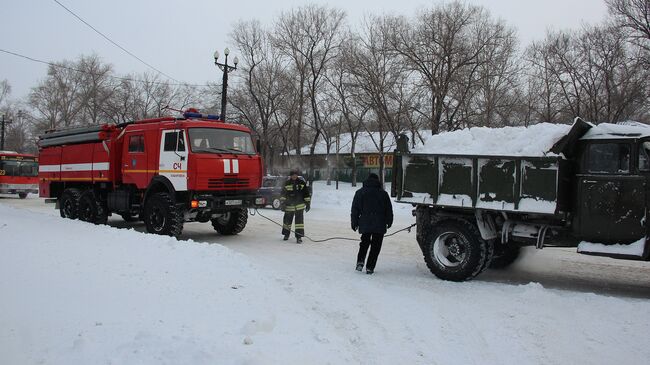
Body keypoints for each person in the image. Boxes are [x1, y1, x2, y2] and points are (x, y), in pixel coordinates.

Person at [350, 173, 393, 274]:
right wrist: (389, 221)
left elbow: (355, 209)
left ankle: (360, 262)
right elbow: (388, 210)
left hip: (365, 222)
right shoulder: (383, 194)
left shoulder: (360, 192)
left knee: (364, 243)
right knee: (376, 246)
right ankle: (370, 267)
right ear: (377, 181)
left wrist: (354, 222)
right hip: (380, 223)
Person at [280, 169, 311, 243]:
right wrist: (282, 203)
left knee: (299, 223)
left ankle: (299, 237)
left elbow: (306, 194)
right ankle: (286, 235)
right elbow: (283, 194)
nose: (294, 176)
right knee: (287, 221)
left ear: (297, 175)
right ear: (291, 176)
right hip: (289, 206)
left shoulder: (302, 183)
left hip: (299, 206)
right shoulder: (286, 183)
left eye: (295, 175)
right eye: (293, 175)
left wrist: (308, 204)